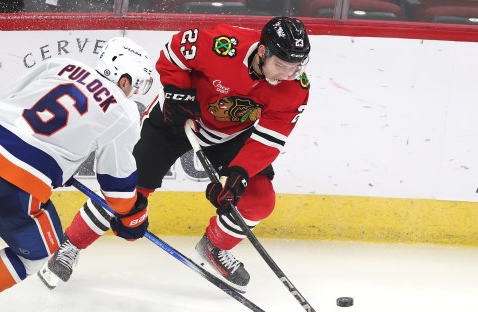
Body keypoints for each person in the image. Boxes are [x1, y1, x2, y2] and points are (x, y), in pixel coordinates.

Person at [38, 16, 311, 294]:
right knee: (127, 191)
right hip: (172, 121)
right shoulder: (223, 45)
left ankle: (214, 247)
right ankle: (70, 245)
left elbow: (269, 138)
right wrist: (180, 93)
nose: (288, 74)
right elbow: (173, 52)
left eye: (296, 67)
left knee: (258, 200)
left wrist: (238, 173)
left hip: (229, 136)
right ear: (263, 51)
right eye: (281, 65)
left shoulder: (296, 87)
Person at [0, 37, 154, 312]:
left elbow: (14, 101)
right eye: (137, 84)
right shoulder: (125, 112)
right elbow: (116, 184)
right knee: (38, 252)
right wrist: (132, 214)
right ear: (125, 77)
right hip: (14, 183)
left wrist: (57, 162)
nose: (134, 93)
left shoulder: (62, 65)